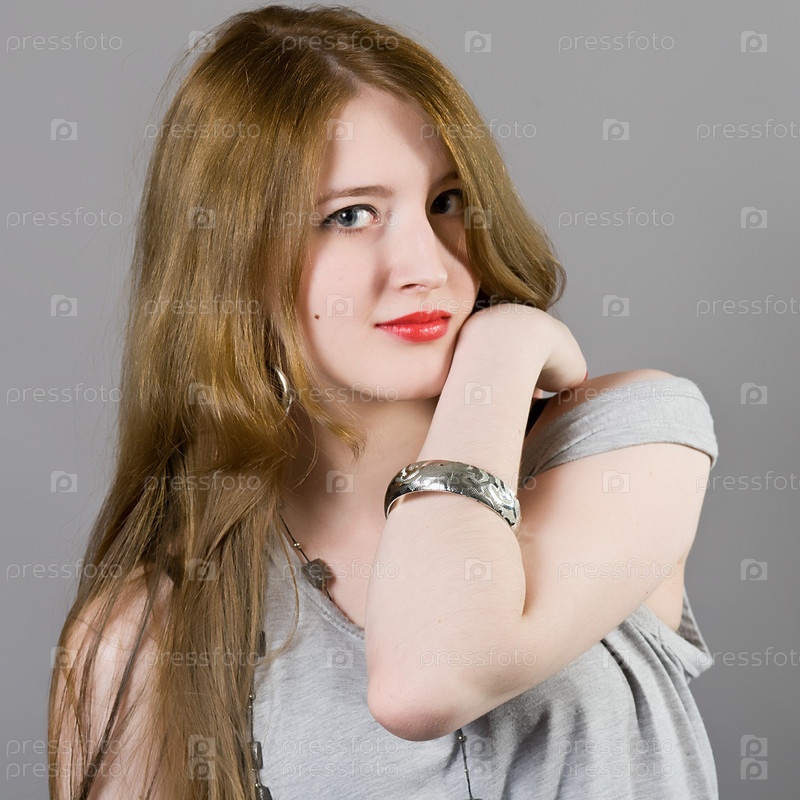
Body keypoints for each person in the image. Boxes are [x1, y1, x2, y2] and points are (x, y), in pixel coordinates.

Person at [48, 4, 720, 799]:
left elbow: (435, 674)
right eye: (349, 215)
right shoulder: (150, 632)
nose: (425, 265)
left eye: (446, 202)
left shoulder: (622, 446)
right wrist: (504, 348)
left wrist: (499, 354)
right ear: (233, 263)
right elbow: (422, 684)